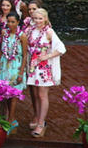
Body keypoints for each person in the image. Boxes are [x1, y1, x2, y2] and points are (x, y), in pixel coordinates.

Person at [25, 8, 66, 138]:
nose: (37, 21)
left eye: (40, 18)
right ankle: (37, 117)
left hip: (43, 68)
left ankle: (41, 123)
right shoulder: (30, 30)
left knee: (43, 95)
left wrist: (47, 56)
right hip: (33, 66)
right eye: (35, 18)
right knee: (36, 94)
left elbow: (61, 48)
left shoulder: (49, 32)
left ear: (45, 19)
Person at [0, 11, 29, 131]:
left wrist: (21, 72)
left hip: (16, 66)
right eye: (8, 22)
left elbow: (25, 55)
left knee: (14, 94)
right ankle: (5, 117)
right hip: (5, 65)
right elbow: (1, 50)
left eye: (13, 22)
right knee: (5, 93)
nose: (10, 24)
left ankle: (11, 119)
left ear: (18, 22)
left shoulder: (22, 36)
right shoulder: (4, 33)